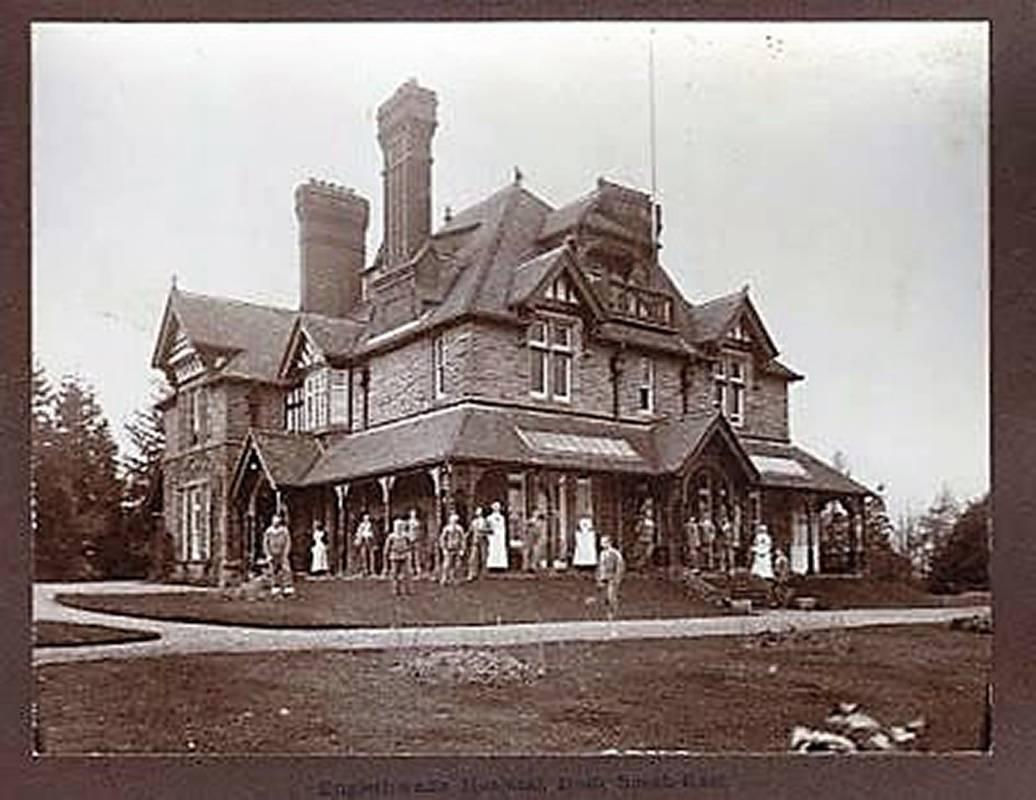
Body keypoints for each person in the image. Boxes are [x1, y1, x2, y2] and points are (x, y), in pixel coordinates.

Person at [263, 513, 294, 596]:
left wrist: (286, 552)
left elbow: (288, 542)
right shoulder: (268, 531)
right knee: (273, 570)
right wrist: (268, 554)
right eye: (274, 521)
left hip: (282, 553)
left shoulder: (284, 531)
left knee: (286, 569)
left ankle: (287, 585)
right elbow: (265, 543)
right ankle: (275, 585)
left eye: (277, 521)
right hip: (272, 553)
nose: (276, 523)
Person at [596, 535, 625, 620]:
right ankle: (606, 612)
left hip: (612, 577)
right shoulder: (602, 554)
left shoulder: (615, 554)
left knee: (611, 595)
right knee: (605, 596)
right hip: (604, 577)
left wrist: (617, 577)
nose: (602, 544)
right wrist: (599, 578)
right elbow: (600, 566)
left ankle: (613, 612)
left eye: (604, 542)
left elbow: (620, 565)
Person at [383, 517, 413, 596]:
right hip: (394, 556)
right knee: (394, 574)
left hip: (404, 556)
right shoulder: (391, 537)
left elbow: (410, 544)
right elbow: (387, 547)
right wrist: (387, 553)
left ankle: (407, 590)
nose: (399, 528)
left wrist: (408, 551)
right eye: (397, 526)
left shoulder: (406, 536)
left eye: (400, 526)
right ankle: (396, 590)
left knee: (406, 574)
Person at [439, 512, 466, 585]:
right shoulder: (447, 528)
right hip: (448, 548)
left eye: (455, 520)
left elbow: (463, 539)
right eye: (452, 520)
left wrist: (462, 549)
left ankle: (455, 579)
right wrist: (443, 548)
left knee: (457, 565)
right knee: (446, 565)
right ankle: (444, 579)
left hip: (457, 548)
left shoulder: (459, 528)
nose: (454, 522)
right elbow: (442, 539)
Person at [465, 507, 491, 581]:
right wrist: (466, 536)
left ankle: (483, 574)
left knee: (483, 558)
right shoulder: (474, 522)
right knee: (472, 558)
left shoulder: (486, 521)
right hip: (475, 541)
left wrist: (483, 531)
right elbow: (470, 530)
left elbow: (491, 530)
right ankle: (472, 574)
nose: (478, 513)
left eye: (479, 511)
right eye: (477, 511)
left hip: (483, 541)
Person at [486, 501, 509, 570]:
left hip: (500, 536)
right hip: (493, 536)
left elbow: (503, 527)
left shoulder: (502, 518)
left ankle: (501, 564)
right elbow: (488, 527)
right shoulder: (489, 518)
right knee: (493, 549)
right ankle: (492, 564)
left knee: (500, 549)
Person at [635, 501, 657, 569]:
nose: (650, 513)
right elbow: (637, 530)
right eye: (648, 511)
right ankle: (640, 566)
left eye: (651, 511)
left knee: (648, 554)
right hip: (642, 539)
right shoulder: (642, 521)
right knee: (641, 554)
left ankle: (644, 566)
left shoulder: (652, 521)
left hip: (649, 539)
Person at [354, 513, 376, 577]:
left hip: (370, 542)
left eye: (368, 518)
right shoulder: (361, 526)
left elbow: (374, 533)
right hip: (363, 542)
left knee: (371, 556)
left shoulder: (371, 525)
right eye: (365, 518)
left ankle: (372, 570)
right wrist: (358, 538)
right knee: (363, 556)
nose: (366, 520)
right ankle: (364, 570)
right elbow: (358, 533)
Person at [406, 509, 426, 578]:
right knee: (409, 556)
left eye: (414, 513)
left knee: (417, 556)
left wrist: (418, 537)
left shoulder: (418, 523)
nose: (413, 515)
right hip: (409, 541)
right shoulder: (407, 522)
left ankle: (418, 571)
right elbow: (406, 530)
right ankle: (410, 571)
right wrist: (408, 536)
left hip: (417, 541)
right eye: (412, 513)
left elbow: (421, 532)